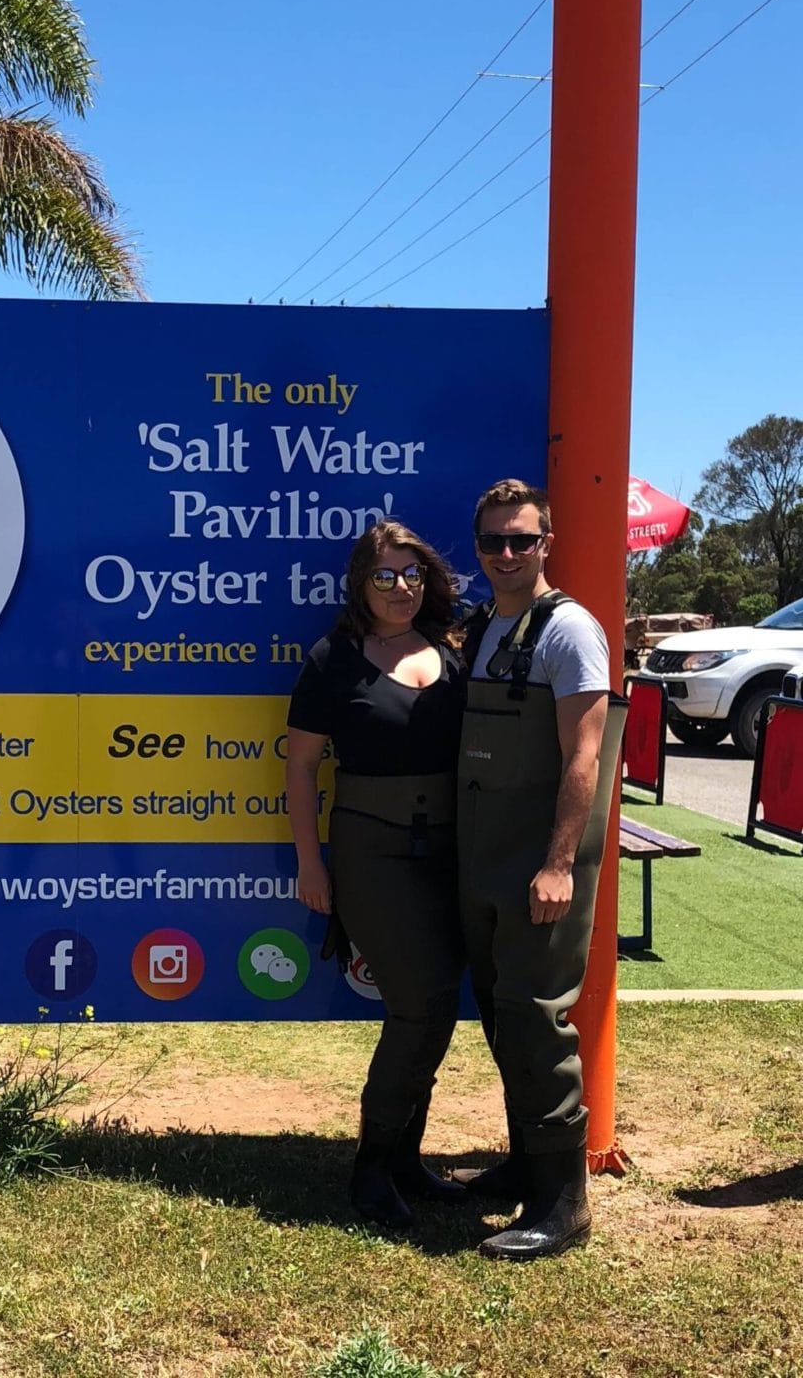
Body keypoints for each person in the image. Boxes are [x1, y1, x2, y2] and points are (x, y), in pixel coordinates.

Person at [285, 520, 469, 1231]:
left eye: (412, 574)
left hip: (455, 850)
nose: (401, 588)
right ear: (361, 584)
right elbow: (300, 767)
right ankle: (370, 1168)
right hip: (372, 850)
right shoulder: (333, 659)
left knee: (439, 1007)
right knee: (419, 1005)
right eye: (385, 576)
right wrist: (310, 861)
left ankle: (405, 1161)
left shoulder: (455, 647)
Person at [457, 477, 621, 1262]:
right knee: (501, 1014)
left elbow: (584, 757)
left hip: (540, 864)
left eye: (523, 539)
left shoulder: (570, 631)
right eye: (494, 541)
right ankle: (527, 1162)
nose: (508, 554)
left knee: (535, 1017)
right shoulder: (486, 624)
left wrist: (559, 863)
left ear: (546, 543)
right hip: (484, 859)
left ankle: (564, 1202)